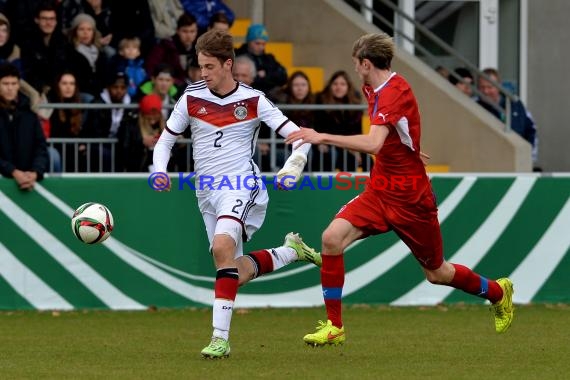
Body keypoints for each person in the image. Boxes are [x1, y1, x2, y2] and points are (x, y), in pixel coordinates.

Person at [286, 33, 514, 347]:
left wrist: (320, 136)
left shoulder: (392, 91)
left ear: (366, 63)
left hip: (411, 199)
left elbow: (373, 143)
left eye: (356, 64)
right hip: (380, 190)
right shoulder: (373, 86)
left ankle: (499, 293)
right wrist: (409, 148)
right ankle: (335, 326)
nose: (355, 70)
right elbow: (399, 130)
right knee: (331, 238)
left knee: (437, 273)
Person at [152, 29, 320, 359]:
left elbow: (300, 138)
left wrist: (292, 166)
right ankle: (290, 251)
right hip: (206, 191)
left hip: (241, 185)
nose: (203, 73)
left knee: (221, 247)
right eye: (200, 66)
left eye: (209, 67)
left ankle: (220, 339)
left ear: (227, 64)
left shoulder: (254, 100)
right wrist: (159, 170)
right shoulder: (190, 98)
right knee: (231, 270)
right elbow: (165, 141)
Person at [0, 63, 49, 190]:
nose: (10, 88)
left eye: (14, 84)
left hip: (29, 181)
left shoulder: (29, 114)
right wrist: (13, 172)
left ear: (18, 85)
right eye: (5, 84)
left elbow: (41, 147)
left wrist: (35, 172)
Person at [477, 67, 537, 164]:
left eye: (489, 87)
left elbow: (530, 129)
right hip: (490, 161)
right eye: (482, 87)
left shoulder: (515, 104)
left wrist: (529, 155)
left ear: (498, 86)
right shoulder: (475, 106)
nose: (486, 91)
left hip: (517, 160)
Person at [234, 24, 288, 95]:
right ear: (249, 42)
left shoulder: (269, 58)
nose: (261, 47)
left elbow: (283, 77)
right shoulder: (236, 55)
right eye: (257, 43)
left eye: (263, 44)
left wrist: (266, 74)